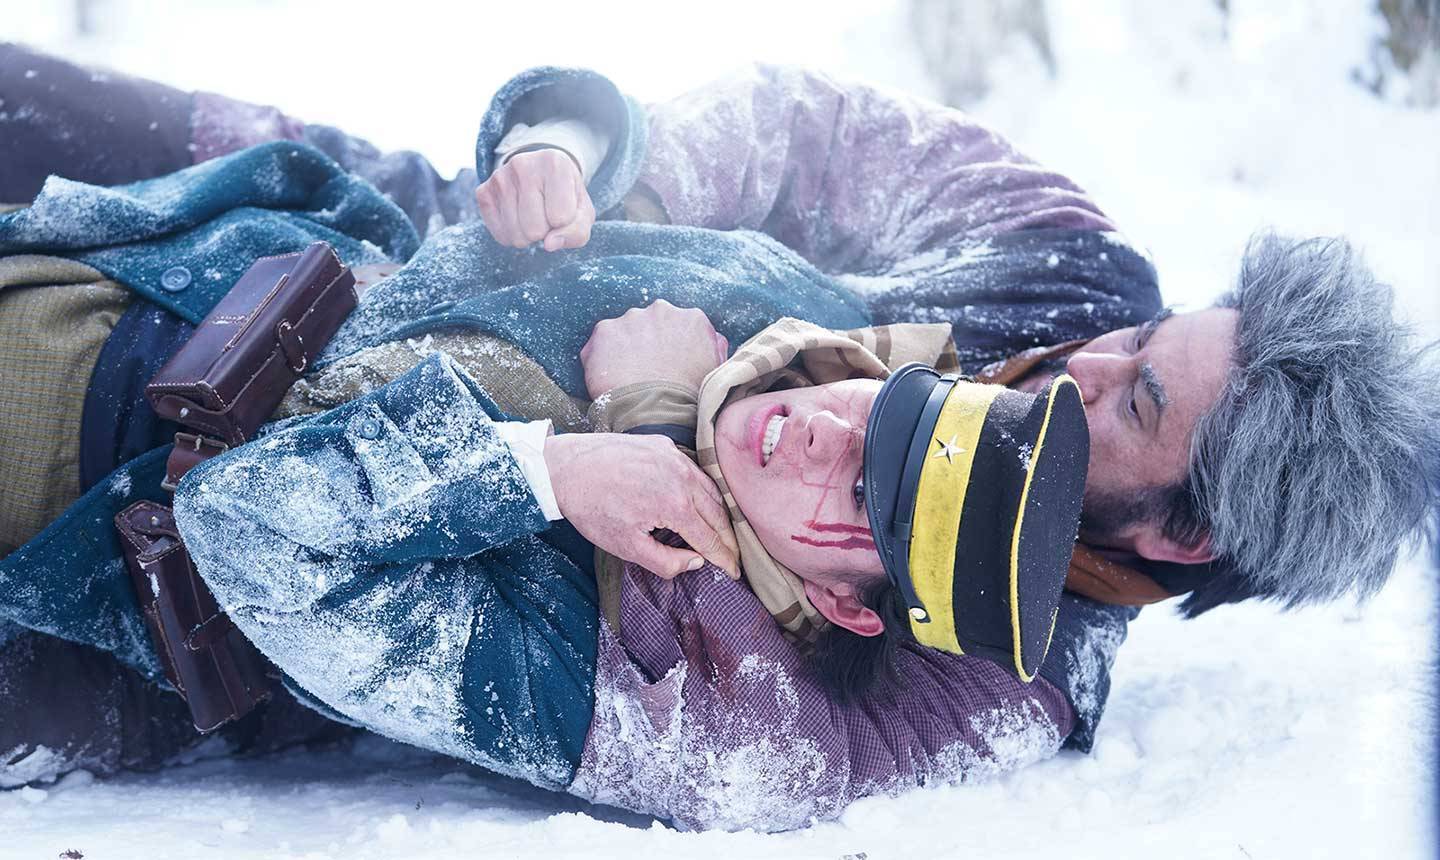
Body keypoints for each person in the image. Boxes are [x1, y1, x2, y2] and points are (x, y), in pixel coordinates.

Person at [1, 48, 1437, 827]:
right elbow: (806, 130)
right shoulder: (1074, 275)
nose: (1088, 362)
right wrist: (584, 178)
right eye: (1150, 334)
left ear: (1186, 533)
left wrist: (639, 424)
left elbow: (745, 751)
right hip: (383, 251)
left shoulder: (1008, 674)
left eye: (1139, 402)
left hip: (222, 556)